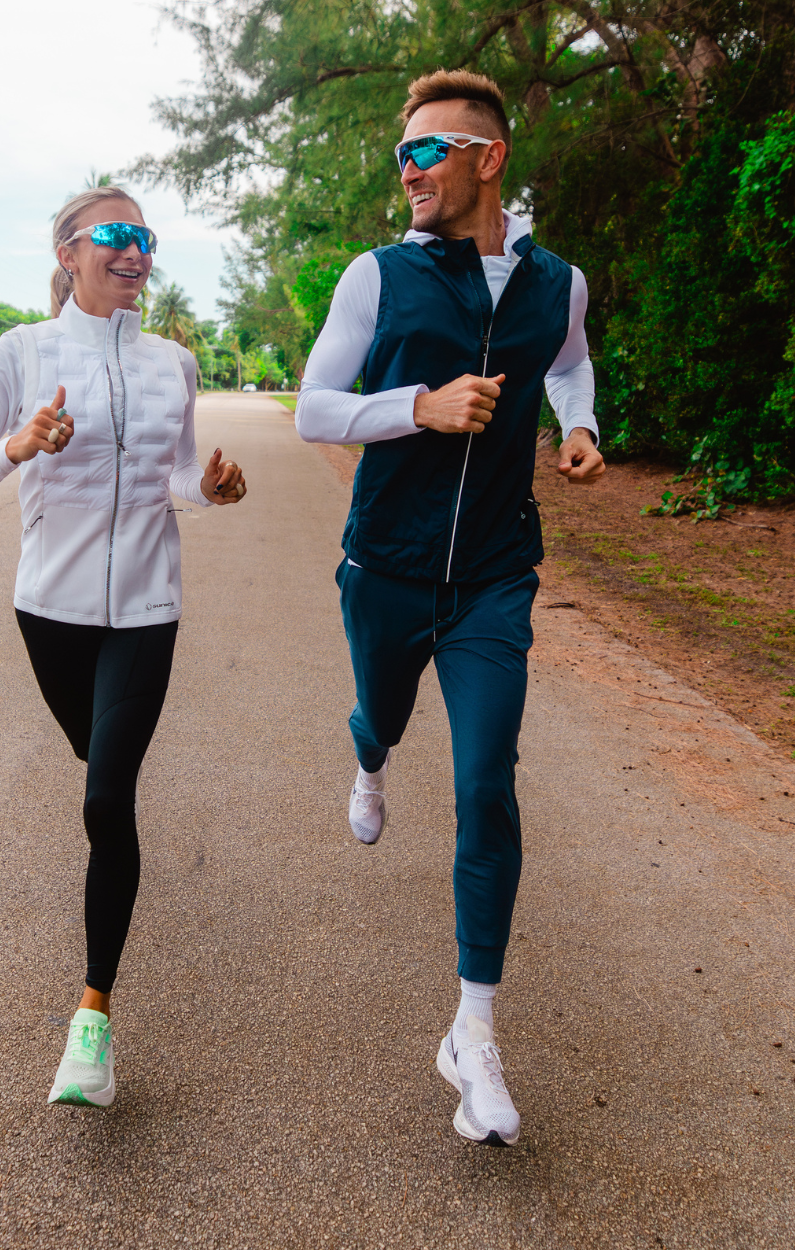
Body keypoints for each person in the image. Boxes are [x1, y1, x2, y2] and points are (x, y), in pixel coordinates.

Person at [295, 70, 605, 1147]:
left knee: (486, 779)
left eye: (426, 152)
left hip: (492, 574)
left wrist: (580, 427)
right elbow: (311, 408)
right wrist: (417, 408)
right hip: (384, 561)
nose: (408, 172)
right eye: (401, 156)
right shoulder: (376, 278)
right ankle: (369, 751)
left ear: (487, 157)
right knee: (382, 711)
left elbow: (569, 363)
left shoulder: (554, 283)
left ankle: (472, 1030)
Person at [0, 186, 247, 1108]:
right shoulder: (21, 353)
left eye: (145, 237)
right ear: (68, 251)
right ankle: (111, 803)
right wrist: (18, 448)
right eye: (115, 235)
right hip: (51, 616)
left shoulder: (173, 363)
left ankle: (92, 1024)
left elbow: (177, 475)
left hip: (147, 608)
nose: (135, 250)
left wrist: (210, 489)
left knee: (108, 796)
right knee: (92, 756)